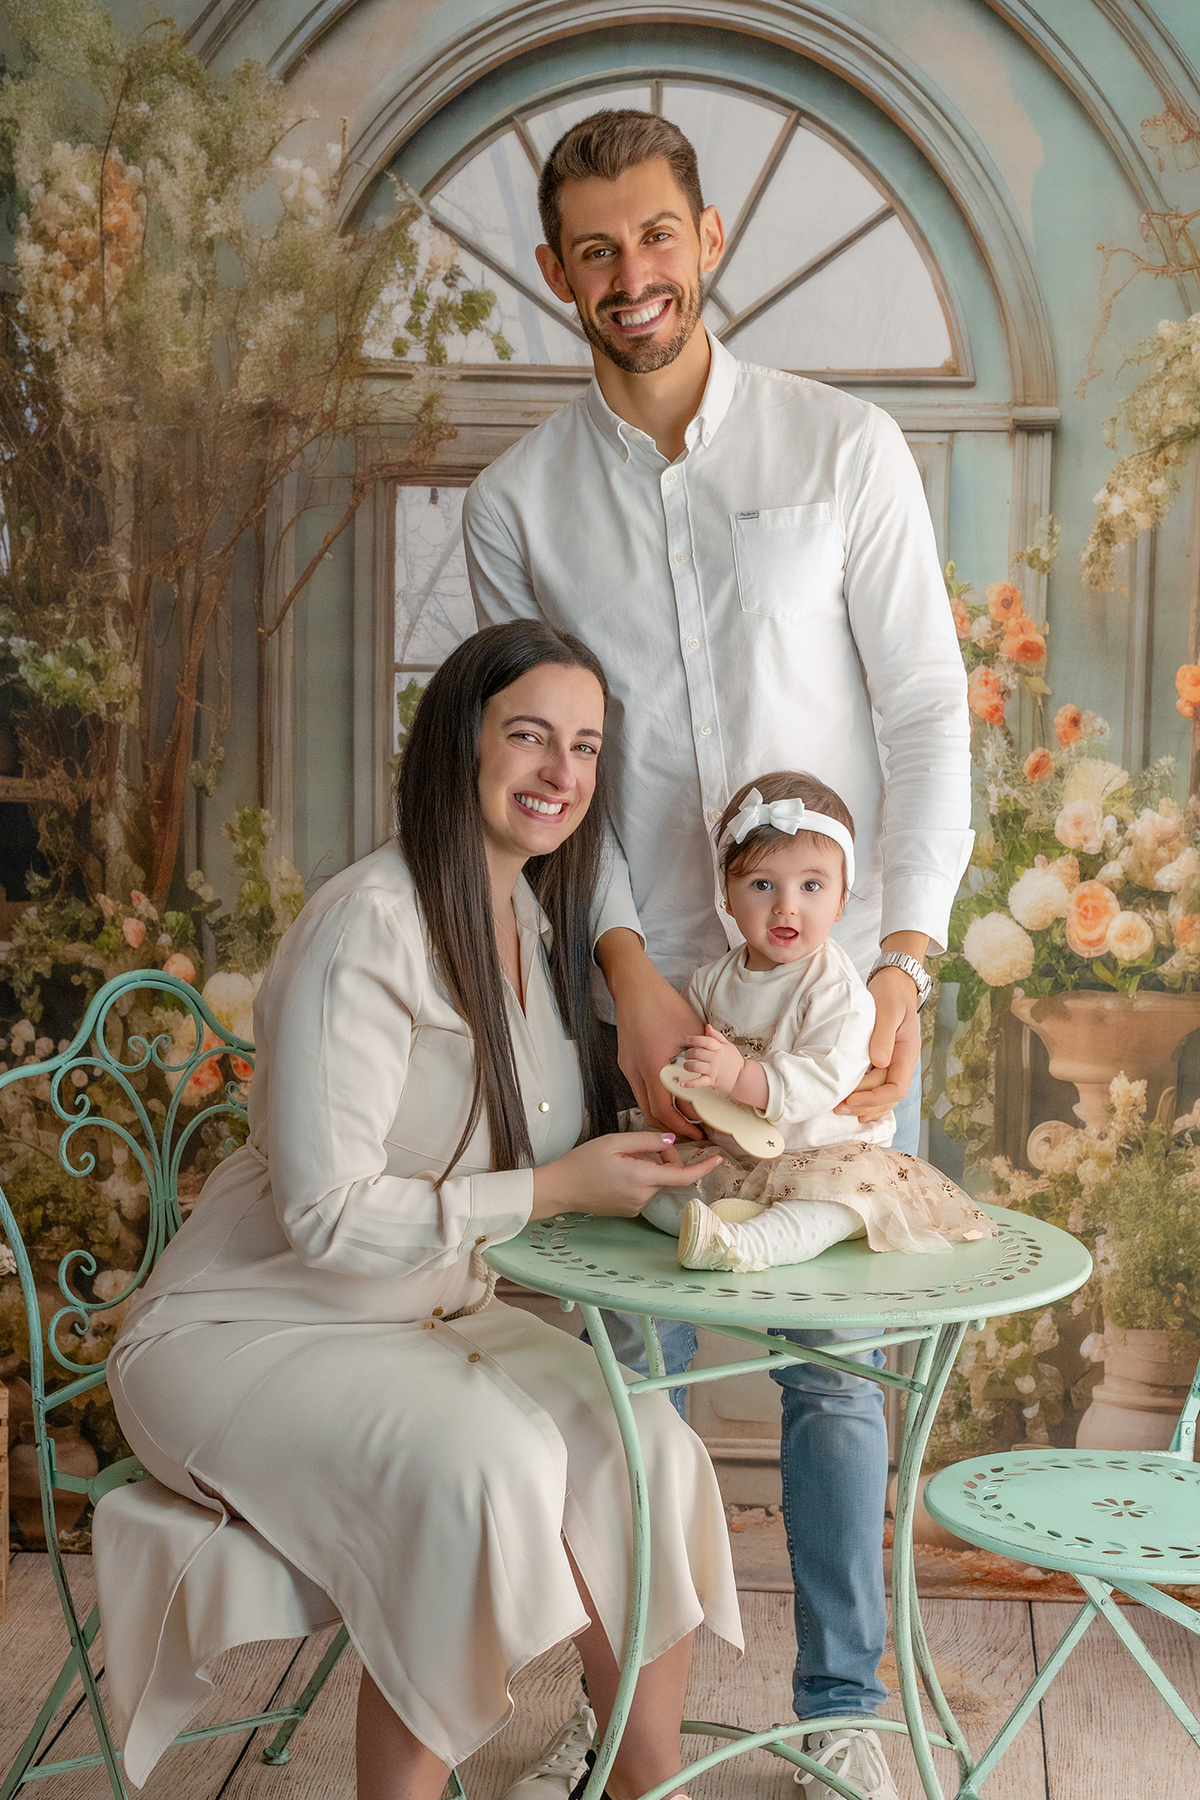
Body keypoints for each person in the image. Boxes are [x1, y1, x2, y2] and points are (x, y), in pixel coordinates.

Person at [463, 110, 972, 1800]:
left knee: (834, 1370)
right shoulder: (518, 503)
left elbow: (921, 713)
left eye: (656, 240)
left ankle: (844, 1705)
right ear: (555, 274)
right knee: (626, 1366)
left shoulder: (844, 447)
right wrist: (619, 975)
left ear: (709, 242)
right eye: (595, 252)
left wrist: (902, 959)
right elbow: (530, 775)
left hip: (830, 1003)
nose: (631, 278)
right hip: (640, 997)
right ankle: (630, 1728)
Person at [103, 621, 742, 1800]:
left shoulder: (538, 931)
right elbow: (330, 1220)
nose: (562, 772)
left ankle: (643, 1789)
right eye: (531, 737)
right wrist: (553, 1190)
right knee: (482, 1465)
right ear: (460, 744)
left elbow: (554, 1158)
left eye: (587, 747)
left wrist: (688, 1173)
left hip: (428, 1322)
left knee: (652, 1448)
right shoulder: (369, 927)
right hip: (251, 1329)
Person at [654, 771, 994, 1273]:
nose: (786, 905)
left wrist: (738, 1076)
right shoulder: (710, 981)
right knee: (660, 1188)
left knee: (831, 1209)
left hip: (825, 1151)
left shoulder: (839, 992)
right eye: (762, 884)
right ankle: (730, 1219)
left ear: (841, 901)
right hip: (741, 1153)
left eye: (811, 885)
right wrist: (690, 1083)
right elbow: (691, 1061)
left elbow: (819, 1081)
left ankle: (745, 1246)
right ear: (727, 897)